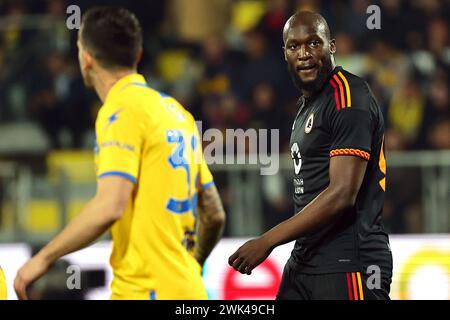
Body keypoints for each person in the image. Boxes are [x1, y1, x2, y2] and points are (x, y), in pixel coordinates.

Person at [14, 6, 225, 300]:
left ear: (86, 58)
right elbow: (214, 214)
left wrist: (44, 257)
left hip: (143, 291)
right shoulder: (177, 113)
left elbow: (110, 205)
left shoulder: (121, 111)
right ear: (137, 55)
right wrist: (191, 266)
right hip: (189, 292)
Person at [229, 11, 392, 300]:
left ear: (332, 46)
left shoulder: (348, 97)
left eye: (314, 43)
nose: (304, 53)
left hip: (348, 262)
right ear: (285, 53)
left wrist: (267, 240)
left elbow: (342, 194)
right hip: (306, 261)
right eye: (294, 46)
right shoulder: (308, 104)